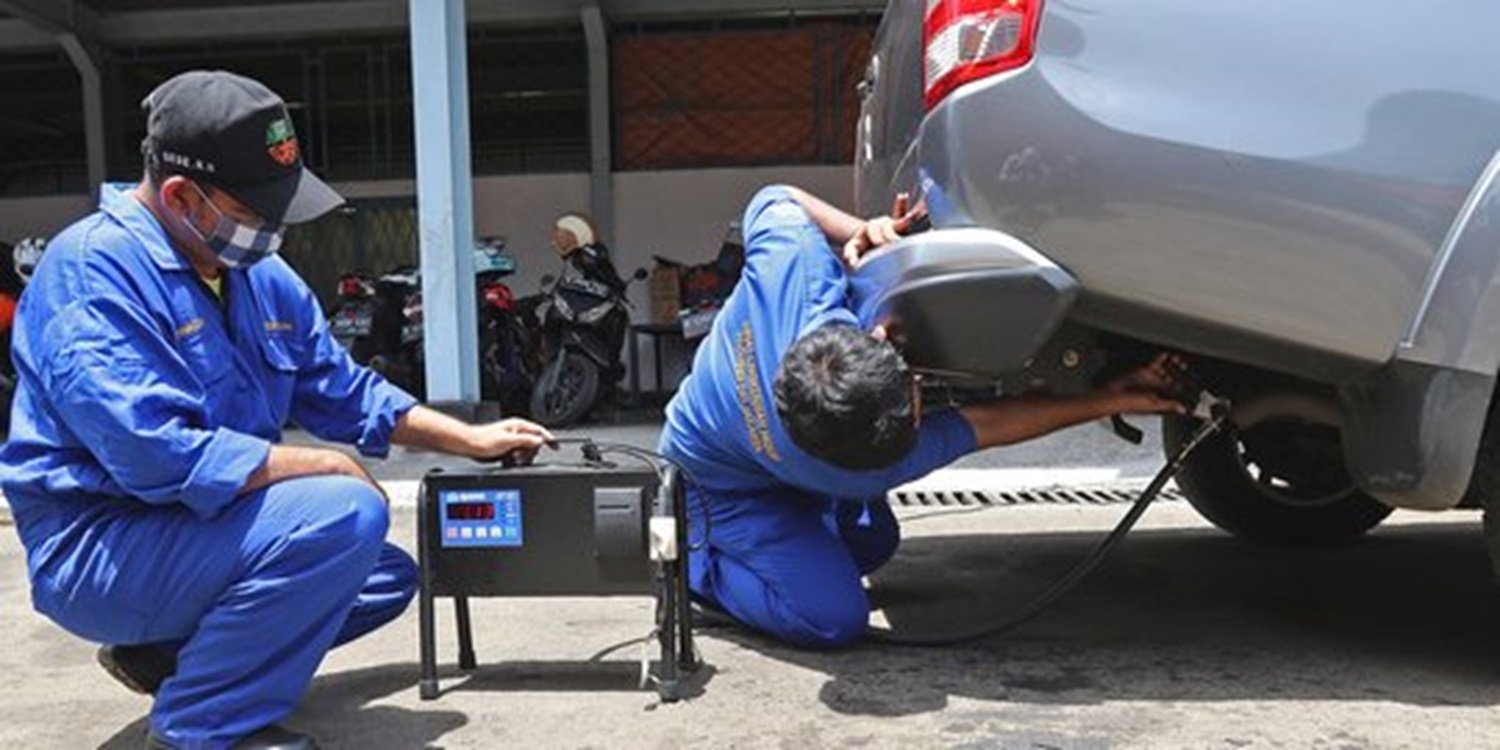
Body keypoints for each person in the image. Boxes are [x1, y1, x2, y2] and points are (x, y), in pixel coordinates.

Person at [0, 70, 554, 750]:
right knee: (341, 516)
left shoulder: (256, 275)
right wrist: (320, 464)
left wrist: (470, 438)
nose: (273, 228)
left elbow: (344, 390)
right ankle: (202, 729)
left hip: (199, 530)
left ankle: (167, 659)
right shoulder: (93, 271)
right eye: (257, 209)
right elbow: (154, 453)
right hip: (106, 544)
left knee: (380, 575)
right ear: (182, 196)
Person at [658, 185, 1186, 649]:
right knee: (830, 619)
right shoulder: (845, 472)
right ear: (845, 463)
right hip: (714, 488)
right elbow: (991, 424)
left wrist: (862, 229)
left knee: (873, 540)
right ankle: (699, 566)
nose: (922, 408)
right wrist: (1113, 400)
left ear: (879, 338)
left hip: (761, 459)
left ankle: (795, 538)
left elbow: (773, 197)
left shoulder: (794, 269)